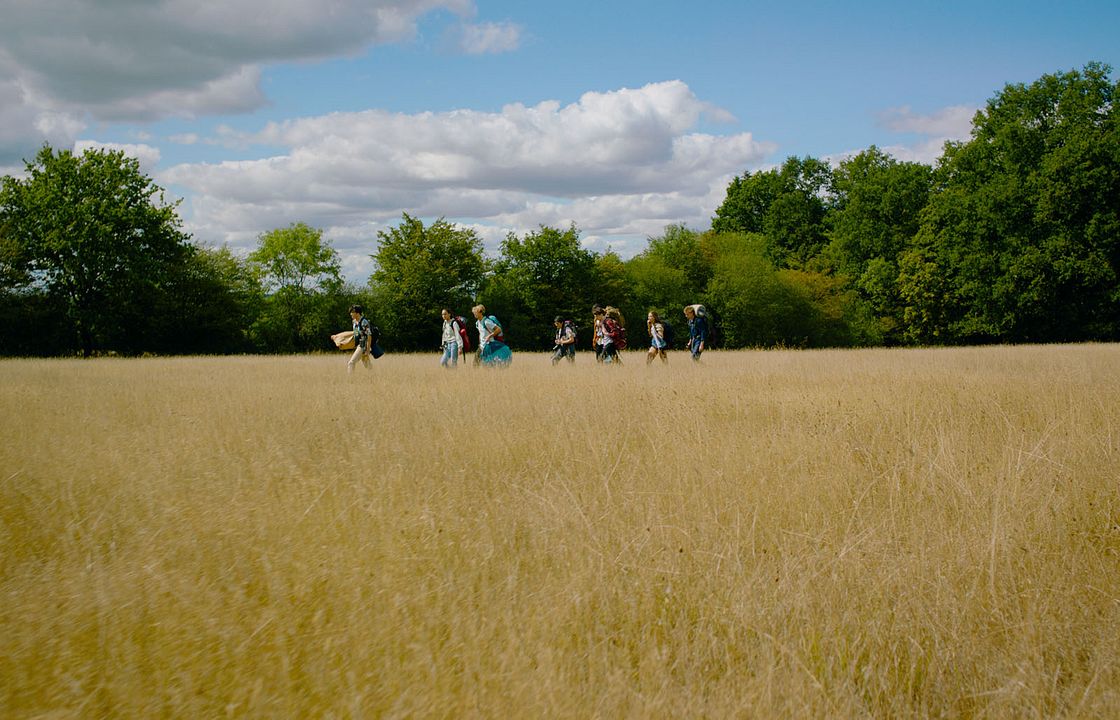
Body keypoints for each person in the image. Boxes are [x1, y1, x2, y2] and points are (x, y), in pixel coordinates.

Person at [347, 304, 373, 374]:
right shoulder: (354, 322)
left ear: (357, 313)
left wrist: (367, 350)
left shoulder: (364, 322)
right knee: (368, 366)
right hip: (359, 345)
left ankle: (350, 381)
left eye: (352, 312)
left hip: (363, 346)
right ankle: (374, 378)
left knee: (351, 363)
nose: (350, 314)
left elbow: (369, 336)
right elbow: (355, 334)